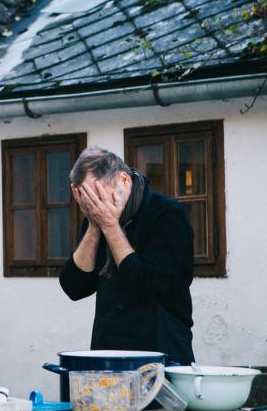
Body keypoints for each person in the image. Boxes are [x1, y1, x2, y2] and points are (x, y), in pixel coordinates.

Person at [59, 146, 195, 365]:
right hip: (109, 354)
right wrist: (95, 224)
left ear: (123, 180)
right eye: (90, 200)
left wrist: (110, 226)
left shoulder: (168, 215)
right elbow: (74, 287)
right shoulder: (99, 217)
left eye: (101, 196)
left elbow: (148, 285)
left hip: (160, 355)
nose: (98, 206)